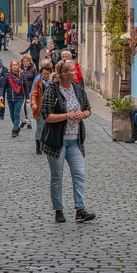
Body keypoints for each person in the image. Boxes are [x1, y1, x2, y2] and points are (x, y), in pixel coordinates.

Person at [39, 59, 95, 223]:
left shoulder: (78, 88)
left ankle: (80, 210)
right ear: (64, 74)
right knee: (57, 176)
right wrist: (67, 116)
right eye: (72, 70)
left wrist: (81, 115)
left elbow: (88, 109)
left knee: (79, 175)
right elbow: (47, 116)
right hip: (57, 142)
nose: (76, 72)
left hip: (75, 140)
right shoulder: (52, 91)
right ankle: (58, 210)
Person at [30, 59, 53, 154]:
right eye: (44, 73)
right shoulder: (38, 82)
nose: (46, 75)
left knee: (51, 128)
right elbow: (34, 94)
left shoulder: (54, 81)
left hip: (52, 108)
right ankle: (38, 147)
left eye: (48, 73)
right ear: (41, 73)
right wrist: (34, 103)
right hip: (40, 107)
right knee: (40, 127)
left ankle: (49, 145)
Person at [4, 59, 27, 136]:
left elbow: (26, 87)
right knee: (12, 115)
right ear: (11, 66)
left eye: (16, 65)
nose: (15, 66)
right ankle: (16, 127)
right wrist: (1, 95)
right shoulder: (7, 75)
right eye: (13, 65)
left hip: (19, 97)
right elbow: (3, 87)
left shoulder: (22, 75)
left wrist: (27, 97)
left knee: (16, 114)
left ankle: (14, 130)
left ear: (18, 66)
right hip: (10, 98)